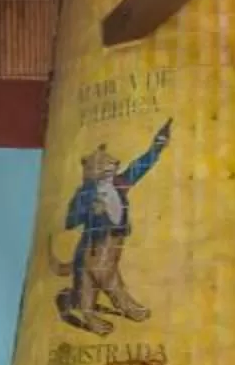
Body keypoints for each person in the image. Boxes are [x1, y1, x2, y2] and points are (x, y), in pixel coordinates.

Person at [51, 118, 173, 335]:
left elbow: (139, 167)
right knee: (94, 285)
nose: (113, 165)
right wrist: (89, 208)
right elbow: (71, 220)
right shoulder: (86, 193)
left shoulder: (118, 184)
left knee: (108, 280)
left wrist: (157, 146)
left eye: (111, 164)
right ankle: (93, 314)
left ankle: (121, 306)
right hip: (93, 250)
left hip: (112, 246)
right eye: (105, 164)